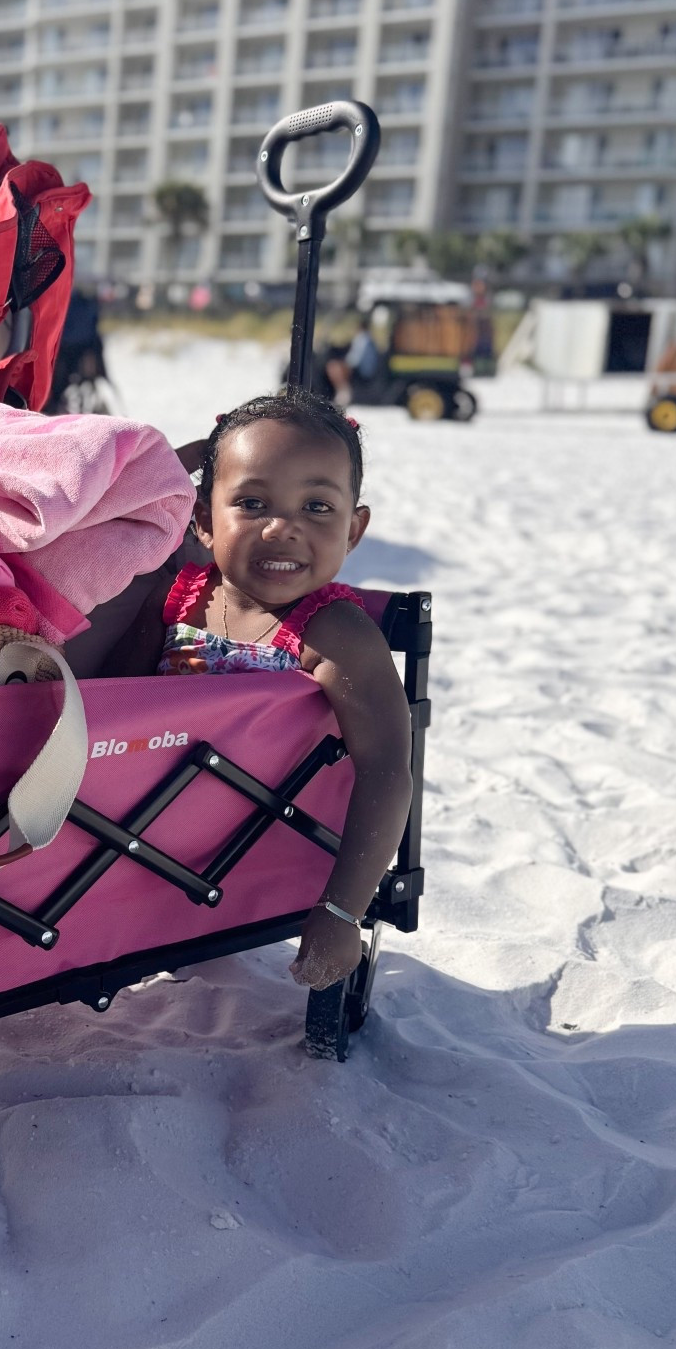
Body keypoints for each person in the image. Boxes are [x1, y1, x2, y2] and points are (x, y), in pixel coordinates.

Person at [154, 388, 413, 992]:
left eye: (317, 507)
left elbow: (387, 769)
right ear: (201, 520)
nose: (282, 527)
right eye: (250, 502)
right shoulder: (175, 598)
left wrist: (343, 911)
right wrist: (188, 457)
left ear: (354, 530)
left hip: (261, 845)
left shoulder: (335, 633)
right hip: (145, 837)